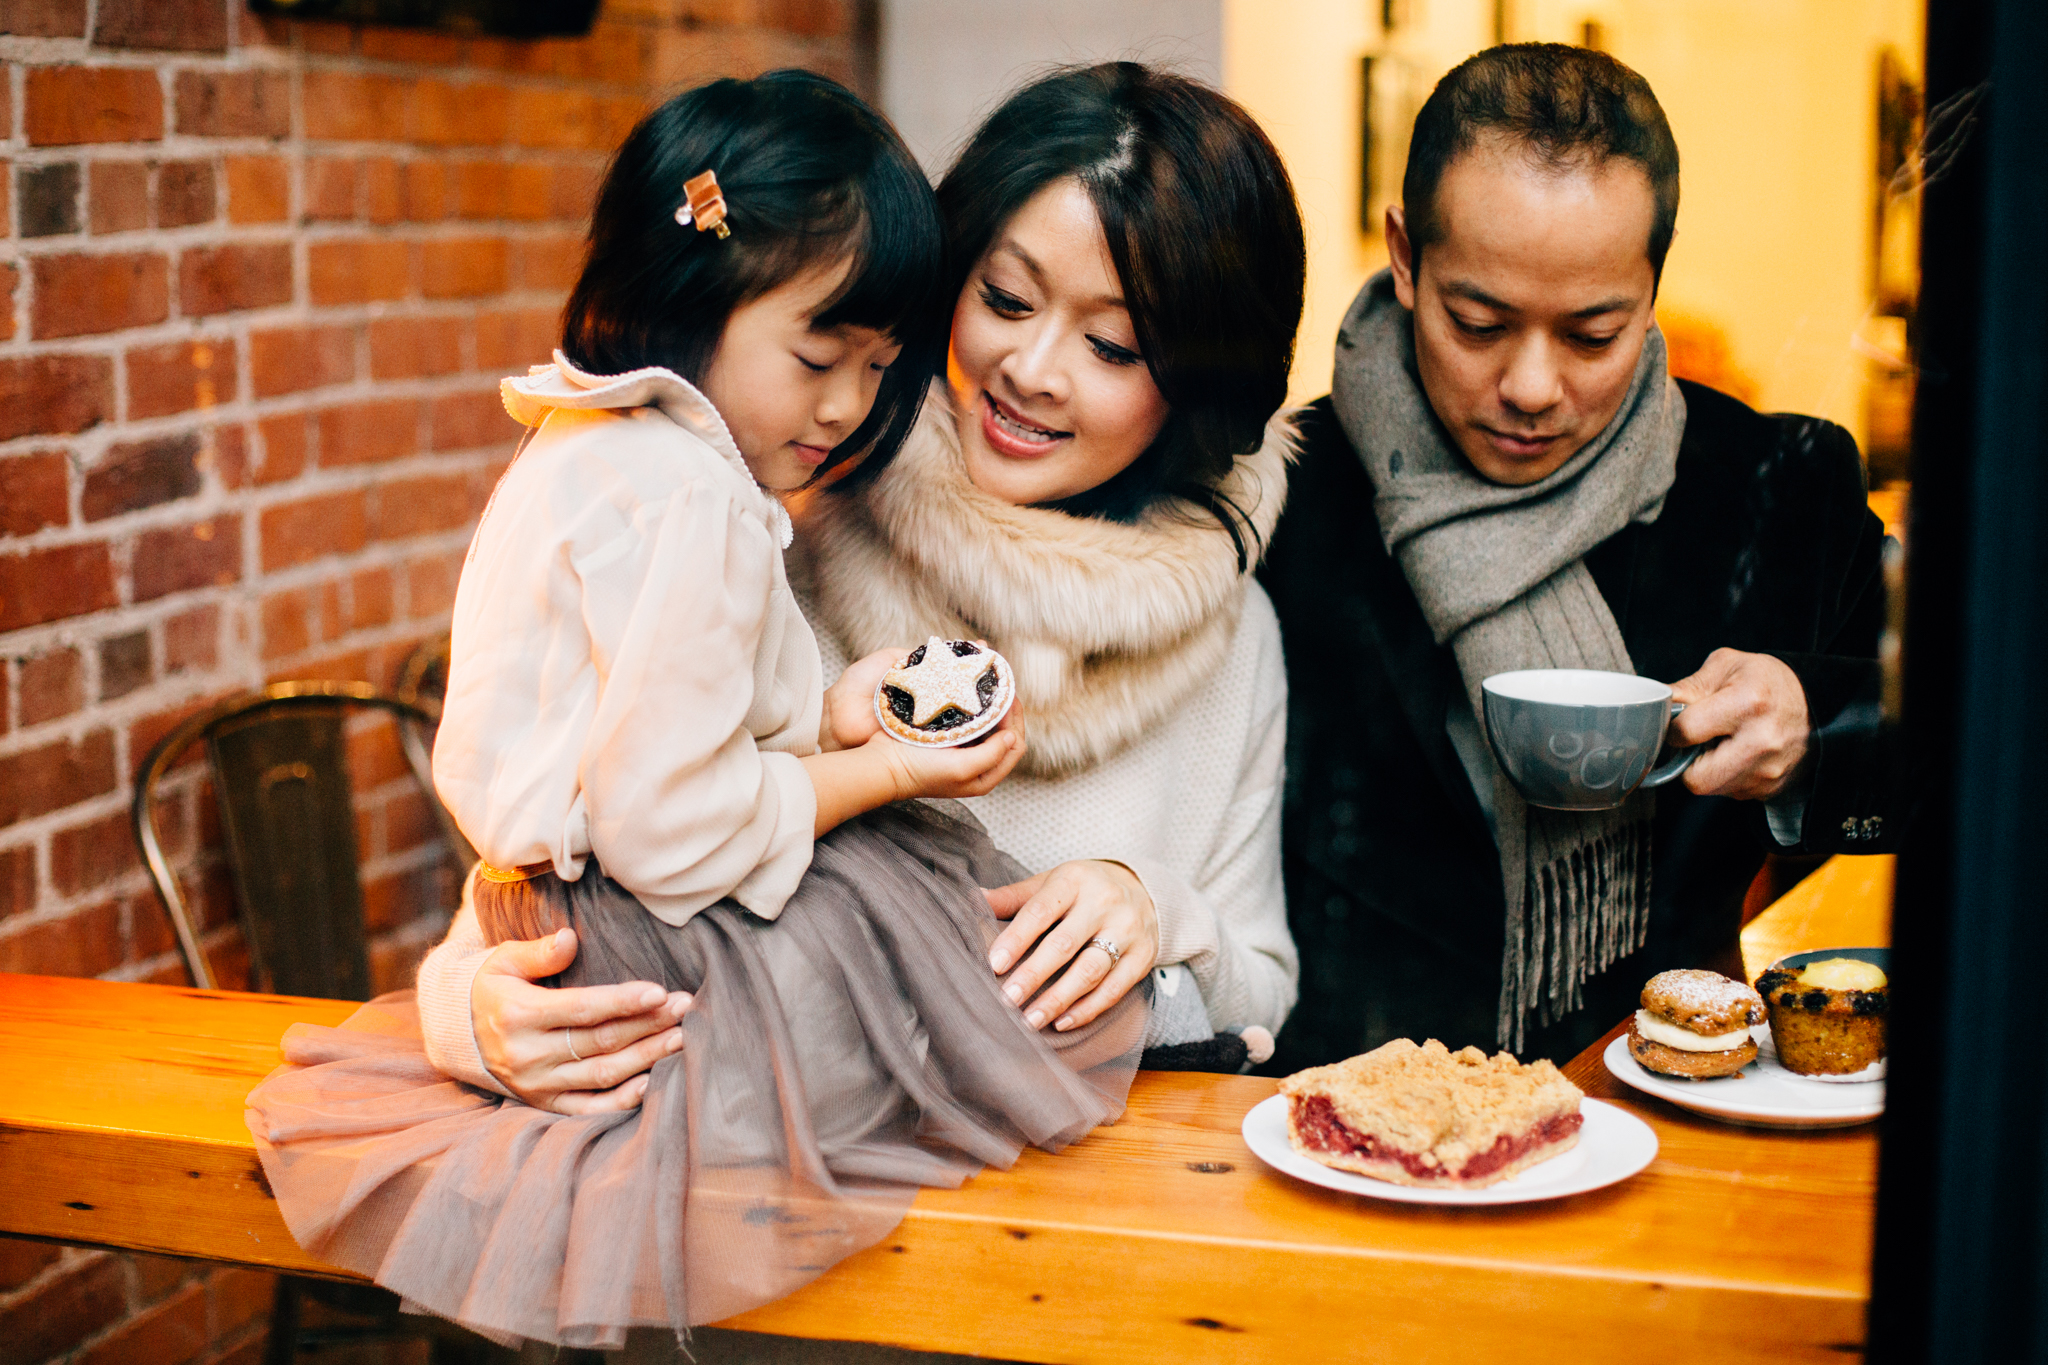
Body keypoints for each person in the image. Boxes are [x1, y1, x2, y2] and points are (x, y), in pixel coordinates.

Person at [245, 71, 1149, 1350]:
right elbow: (673, 830)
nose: (844, 408)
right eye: (817, 357)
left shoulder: (584, 442)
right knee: (969, 997)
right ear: (694, 301)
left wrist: (826, 715)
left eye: (878, 367)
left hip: (554, 917)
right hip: (647, 944)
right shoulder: (698, 498)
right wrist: (887, 771)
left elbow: (659, 724)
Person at [413, 62, 1310, 1109]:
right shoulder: (761, 535)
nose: (1031, 368)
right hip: (746, 1214)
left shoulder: (1232, 636)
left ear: (1198, 380)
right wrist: (473, 1016)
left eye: (1111, 344)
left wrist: (1154, 911)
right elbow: (527, 910)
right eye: (1005, 299)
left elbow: (1262, 997)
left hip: (1047, 1242)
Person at [1261, 43, 1905, 1069]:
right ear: (1402, 254)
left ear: (1652, 285)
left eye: (1591, 333)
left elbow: (1979, 750)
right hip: (1339, 1121)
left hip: (1663, 1109)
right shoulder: (1278, 497)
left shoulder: (1775, 488)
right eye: (1477, 322)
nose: (1527, 385)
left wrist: (1812, 729)